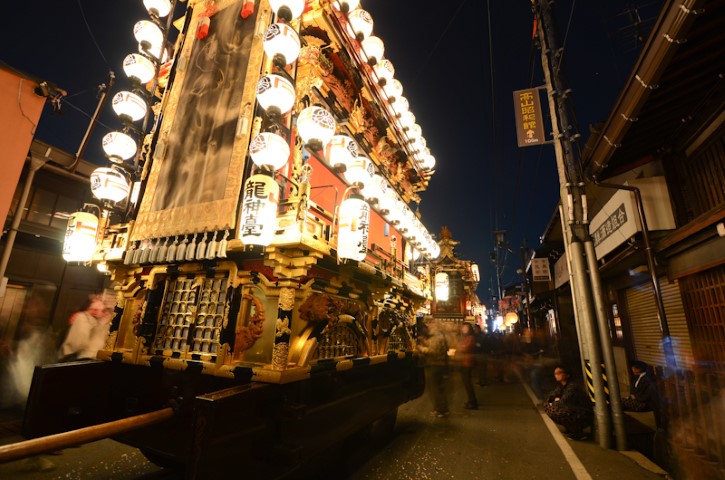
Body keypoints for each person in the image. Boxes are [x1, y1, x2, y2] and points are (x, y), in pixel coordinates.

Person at [543, 365, 593, 440]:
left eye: (559, 372)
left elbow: (563, 402)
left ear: (567, 375)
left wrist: (556, 401)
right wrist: (554, 400)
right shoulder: (562, 386)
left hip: (584, 414)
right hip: (575, 411)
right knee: (547, 406)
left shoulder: (572, 386)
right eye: (555, 373)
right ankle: (570, 428)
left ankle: (578, 433)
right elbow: (550, 397)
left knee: (558, 410)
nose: (556, 375)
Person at [59, 295, 112, 361]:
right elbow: (79, 344)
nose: (101, 311)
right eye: (95, 309)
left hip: (94, 359)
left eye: (104, 309)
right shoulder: (82, 317)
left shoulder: (104, 322)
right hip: (81, 359)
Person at [417, 319, 450, 417]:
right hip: (439, 364)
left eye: (430, 325)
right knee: (438, 388)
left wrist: (420, 348)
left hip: (436, 365)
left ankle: (441, 410)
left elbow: (432, 351)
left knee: (436, 388)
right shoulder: (438, 336)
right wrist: (425, 341)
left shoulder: (436, 337)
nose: (428, 327)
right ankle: (442, 408)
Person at [457, 323, 478, 409]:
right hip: (463, 362)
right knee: (466, 383)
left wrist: (459, 348)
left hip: (467, 362)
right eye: (463, 327)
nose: (464, 329)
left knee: (468, 383)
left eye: (466, 328)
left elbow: (466, 348)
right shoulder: (464, 337)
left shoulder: (470, 338)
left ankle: (473, 402)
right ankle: (471, 400)